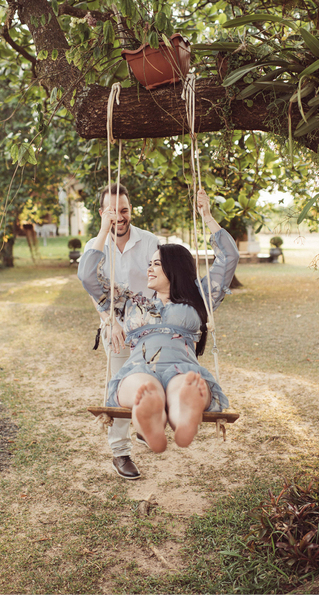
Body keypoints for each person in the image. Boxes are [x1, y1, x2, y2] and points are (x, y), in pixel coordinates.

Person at [78, 187, 237, 454]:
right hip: (139, 367)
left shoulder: (199, 297)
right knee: (145, 386)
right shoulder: (131, 301)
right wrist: (103, 230)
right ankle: (151, 414)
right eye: (149, 263)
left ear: (174, 270)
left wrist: (208, 217)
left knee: (182, 385)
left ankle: (182, 412)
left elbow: (229, 258)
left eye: (156, 264)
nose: (148, 268)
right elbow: (87, 277)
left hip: (182, 368)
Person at [81, 183, 161, 479]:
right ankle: (120, 452)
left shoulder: (150, 240)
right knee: (118, 383)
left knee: (151, 379)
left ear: (131, 211)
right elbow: (91, 287)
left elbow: (162, 280)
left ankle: (143, 425)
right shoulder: (94, 247)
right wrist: (109, 321)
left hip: (148, 325)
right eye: (113, 211)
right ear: (102, 213)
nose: (120, 217)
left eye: (124, 210)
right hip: (114, 326)